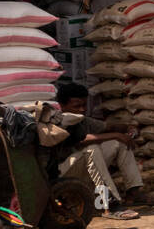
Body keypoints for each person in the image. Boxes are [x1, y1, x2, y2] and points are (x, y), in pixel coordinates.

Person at [56, 83, 146, 220]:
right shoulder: (58, 121)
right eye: (76, 106)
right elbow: (82, 140)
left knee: (119, 143)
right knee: (91, 148)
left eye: (84, 105)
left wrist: (127, 128)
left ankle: (134, 192)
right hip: (62, 175)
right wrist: (116, 134)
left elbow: (107, 127)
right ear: (62, 105)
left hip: (84, 172)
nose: (82, 109)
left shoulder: (82, 120)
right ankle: (107, 205)